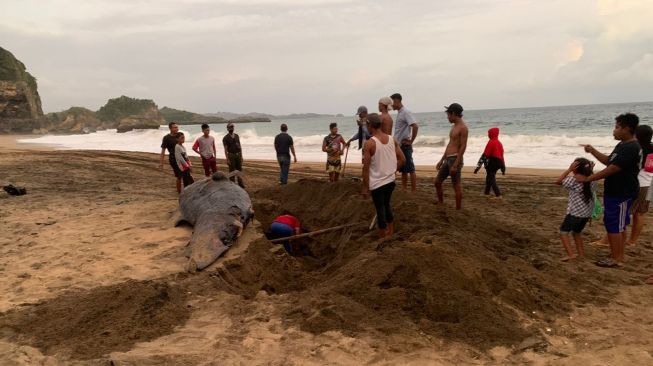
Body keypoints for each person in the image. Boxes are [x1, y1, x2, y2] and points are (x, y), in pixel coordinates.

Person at [579, 113, 642, 268]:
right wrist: (593, 151)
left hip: (622, 192)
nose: (614, 131)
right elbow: (609, 161)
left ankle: (617, 258)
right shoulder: (623, 145)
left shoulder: (631, 147)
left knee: (614, 225)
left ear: (627, 129)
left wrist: (588, 179)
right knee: (618, 225)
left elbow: (613, 168)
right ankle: (618, 255)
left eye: (617, 127)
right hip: (617, 191)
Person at [362, 113, 406, 238]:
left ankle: (382, 235)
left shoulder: (370, 143)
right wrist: (392, 171)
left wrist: (365, 187)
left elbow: (365, 168)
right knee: (386, 205)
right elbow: (402, 159)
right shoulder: (392, 139)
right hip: (390, 181)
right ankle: (390, 232)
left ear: (370, 125)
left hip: (377, 183)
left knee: (380, 208)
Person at [556, 158, 596, 262]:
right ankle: (581, 254)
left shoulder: (573, 180)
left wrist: (569, 170)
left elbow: (558, 181)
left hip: (575, 213)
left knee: (563, 232)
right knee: (576, 232)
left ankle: (571, 254)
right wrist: (590, 169)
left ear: (575, 168)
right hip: (586, 214)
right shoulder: (592, 179)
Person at [435, 103, 469, 209]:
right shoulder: (454, 127)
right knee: (437, 182)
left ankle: (458, 209)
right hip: (448, 159)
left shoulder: (463, 128)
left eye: (448, 115)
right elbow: (450, 144)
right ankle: (441, 203)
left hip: (455, 159)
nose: (448, 117)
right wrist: (442, 160)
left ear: (453, 114)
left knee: (456, 186)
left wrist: (456, 164)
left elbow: (463, 146)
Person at [628, 124, 653, 245]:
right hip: (650, 184)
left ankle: (606, 241)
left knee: (624, 213)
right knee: (640, 213)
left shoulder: (638, 148)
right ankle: (632, 241)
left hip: (639, 183)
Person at [391, 93, 418, 192]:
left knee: (410, 169)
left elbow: (415, 126)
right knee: (403, 169)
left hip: (405, 145)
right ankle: (404, 189)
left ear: (397, 101)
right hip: (399, 145)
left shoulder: (406, 112)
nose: (391, 105)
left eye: (392, 102)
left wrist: (411, 141)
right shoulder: (400, 113)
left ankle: (414, 191)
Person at [474, 127, 506, 198]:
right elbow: (502, 156)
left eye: (489, 133)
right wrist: (503, 167)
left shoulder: (491, 142)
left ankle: (498, 195)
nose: (488, 135)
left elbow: (484, 155)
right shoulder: (499, 143)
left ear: (491, 134)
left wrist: (477, 168)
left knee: (491, 178)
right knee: (489, 177)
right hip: (499, 163)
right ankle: (486, 192)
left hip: (493, 162)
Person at [159, 122, 183, 193]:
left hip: (182, 157)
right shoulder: (166, 138)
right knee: (179, 175)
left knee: (186, 174)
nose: (177, 129)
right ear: (170, 128)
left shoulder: (179, 135)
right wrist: (161, 162)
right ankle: (179, 192)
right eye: (175, 127)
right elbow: (163, 151)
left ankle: (184, 190)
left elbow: (182, 147)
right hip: (173, 159)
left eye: (177, 127)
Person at [222, 123, 244, 188]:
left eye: (232, 127)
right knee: (232, 170)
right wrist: (227, 159)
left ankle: (240, 183)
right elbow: (225, 149)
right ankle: (232, 185)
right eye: (230, 127)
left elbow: (240, 146)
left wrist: (242, 156)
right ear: (227, 129)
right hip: (231, 155)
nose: (231, 128)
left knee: (239, 169)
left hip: (238, 154)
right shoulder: (225, 138)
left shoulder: (237, 136)